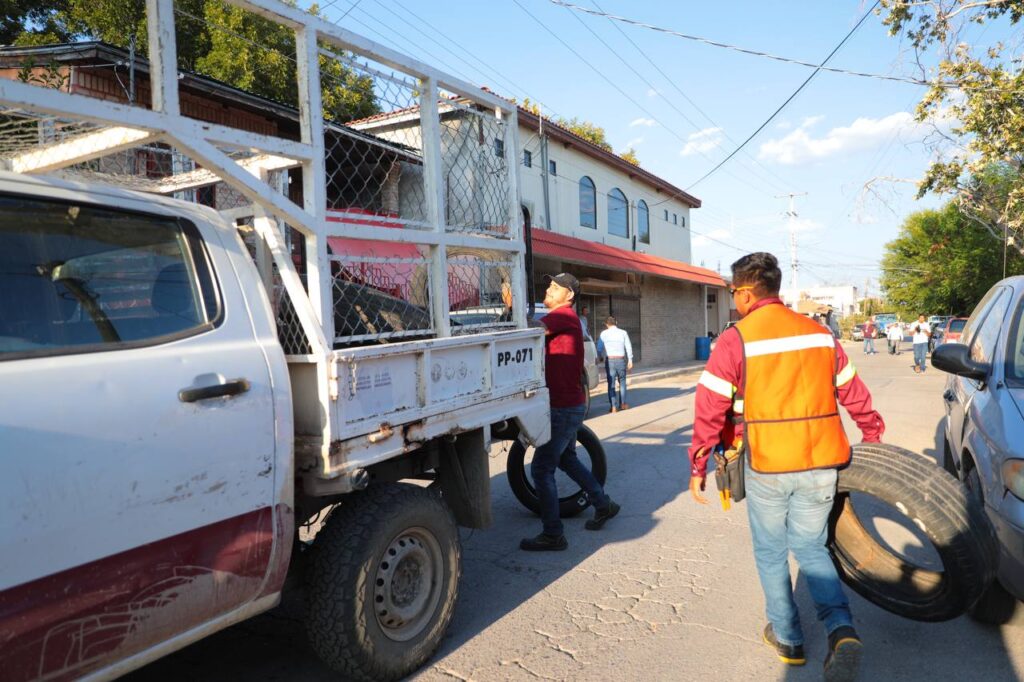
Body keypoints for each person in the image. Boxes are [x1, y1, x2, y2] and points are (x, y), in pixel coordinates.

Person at [688, 252, 884, 681]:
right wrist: (872, 434)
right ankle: (841, 629)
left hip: (769, 463)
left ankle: (789, 638)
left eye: (732, 293)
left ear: (744, 292)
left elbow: (710, 406)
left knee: (772, 551)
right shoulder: (819, 333)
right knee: (812, 546)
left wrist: (700, 461)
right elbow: (853, 390)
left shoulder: (736, 338)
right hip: (821, 461)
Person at [521, 273, 619, 551]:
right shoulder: (564, 318)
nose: (549, 290)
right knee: (566, 460)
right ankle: (603, 504)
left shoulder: (563, 316)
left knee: (541, 469)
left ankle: (553, 534)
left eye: (555, 287)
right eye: (549, 285)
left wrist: (511, 306)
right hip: (568, 404)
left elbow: (531, 329)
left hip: (563, 407)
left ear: (569, 296)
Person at [597, 316, 633, 412]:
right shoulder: (623, 333)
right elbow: (628, 346)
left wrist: (600, 357)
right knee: (622, 382)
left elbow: (599, 348)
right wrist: (630, 360)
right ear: (616, 322)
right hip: (620, 360)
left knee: (611, 384)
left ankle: (613, 407)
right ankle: (623, 404)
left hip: (610, 361)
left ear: (606, 324)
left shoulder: (603, 334)